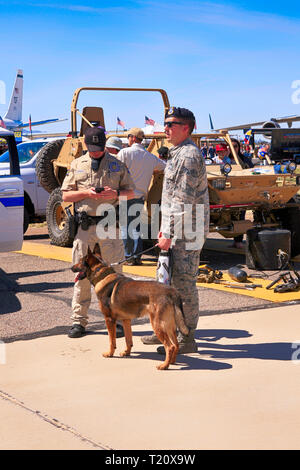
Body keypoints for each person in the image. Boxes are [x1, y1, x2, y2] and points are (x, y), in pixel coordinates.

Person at [142, 107, 209, 354]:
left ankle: (187, 339)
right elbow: (170, 199)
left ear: (186, 128)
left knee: (184, 286)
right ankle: (167, 332)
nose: (166, 128)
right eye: (165, 123)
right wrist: (164, 230)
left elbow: (182, 200)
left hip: (186, 233)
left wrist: (169, 233)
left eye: (172, 124)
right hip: (176, 230)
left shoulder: (189, 155)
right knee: (167, 284)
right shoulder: (176, 153)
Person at [61, 127, 135, 338]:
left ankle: (119, 320)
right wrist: (85, 193)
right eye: (92, 149)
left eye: (99, 148)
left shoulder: (117, 165)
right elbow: (66, 195)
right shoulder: (76, 165)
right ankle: (79, 321)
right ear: (85, 145)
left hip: (109, 227)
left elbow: (132, 192)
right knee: (82, 276)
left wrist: (116, 193)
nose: (95, 152)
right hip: (85, 228)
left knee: (116, 275)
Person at [116, 127, 166, 266]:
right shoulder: (150, 157)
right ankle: (137, 257)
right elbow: (165, 166)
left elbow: (115, 170)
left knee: (126, 226)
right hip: (140, 196)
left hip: (125, 194)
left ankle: (128, 256)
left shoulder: (124, 153)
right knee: (136, 226)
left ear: (132, 138)